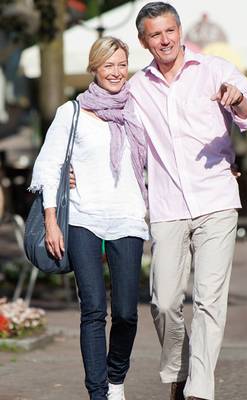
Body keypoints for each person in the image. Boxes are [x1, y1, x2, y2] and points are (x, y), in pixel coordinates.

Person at [129, 3, 247, 400]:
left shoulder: (215, 69)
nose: (165, 39)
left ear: (180, 30)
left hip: (216, 199)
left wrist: (237, 98)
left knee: (208, 300)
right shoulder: (137, 87)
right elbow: (114, 136)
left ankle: (198, 392)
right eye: (156, 34)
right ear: (144, 41)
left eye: (170, 30)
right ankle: (181, 369)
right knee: (164, 301)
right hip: (167, 206)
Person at [29, 36, 148, 400]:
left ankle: (115, 377)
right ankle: (99, 392)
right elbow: (49, 167)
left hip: (128, 217)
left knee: (127, 312)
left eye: (121, 64)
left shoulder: (139, 109)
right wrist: (51, 220)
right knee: (93, 308)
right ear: (94, 68)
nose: (115, 72)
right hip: (82, 217)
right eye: (107, 65)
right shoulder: (73, 112)